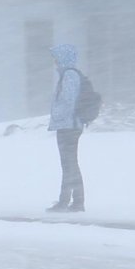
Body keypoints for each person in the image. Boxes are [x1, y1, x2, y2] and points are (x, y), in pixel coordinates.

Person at [46, 44, 85, 213]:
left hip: (68, 126)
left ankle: (72, 202)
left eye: (56, 58)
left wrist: (56, 114)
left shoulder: (69, 76)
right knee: (69, 164)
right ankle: (72, 201)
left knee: (69, 164)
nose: (54, 61)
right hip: (69, 125)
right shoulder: (69, 75)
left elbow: (68, 102)